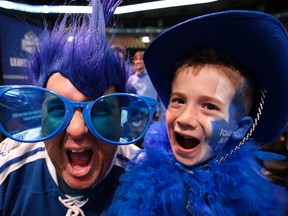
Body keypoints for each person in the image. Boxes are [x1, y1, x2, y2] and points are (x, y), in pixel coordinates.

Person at [108, 10, 288, 215]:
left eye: (209, 106)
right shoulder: (141, 175)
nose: (185, 118)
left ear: (239, 127)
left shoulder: (249, 201)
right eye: (178, 100)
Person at [0, 0, 157, 215]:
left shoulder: (144, 179)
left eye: (100, 109)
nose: (77, 129)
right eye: (57, 108)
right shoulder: (8, 169)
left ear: (120, 121)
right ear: (41, 119)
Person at [126, 50, 165, 147]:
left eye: (141, 59)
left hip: (152, 117)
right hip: (134, 118)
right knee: (133, 145)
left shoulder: (153, 77)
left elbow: (160, 98)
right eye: (136, 59)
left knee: (150, 144)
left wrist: (162, 118)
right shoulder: (130, 79)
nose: (138, 61)